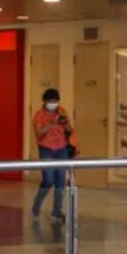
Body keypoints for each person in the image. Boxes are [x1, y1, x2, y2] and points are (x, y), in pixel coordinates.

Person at [31, 88, 77, 222]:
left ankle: (56, 211)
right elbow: (39, 133)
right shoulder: (39, 115)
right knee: (48, 179)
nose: (54, 104)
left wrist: (65, 123)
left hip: (62, 149)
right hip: (46, 149)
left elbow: (70, 130)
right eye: (51, 101)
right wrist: (52, 123)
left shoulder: (62, 111)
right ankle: (37, 203)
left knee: (60, 181)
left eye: (56, 101)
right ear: (45, 101)